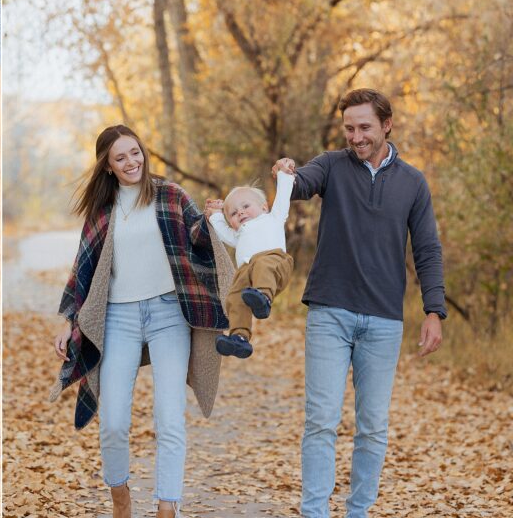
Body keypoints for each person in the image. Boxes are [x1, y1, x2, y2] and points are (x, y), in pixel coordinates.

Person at [272, 88, 445, 518]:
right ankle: (315, 512)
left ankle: (358, 512)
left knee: (372, 428)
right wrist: (285, 174)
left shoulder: (412, 182)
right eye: (350, 128)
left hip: (384, 319)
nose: (356, 136)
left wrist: (433, 310)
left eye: (365, 127)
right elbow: (300, 184)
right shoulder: (331, 165)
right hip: (330, 311)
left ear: (386, 125)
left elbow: (427, 249)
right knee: (321, 421)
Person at [51, 125, 232, 518]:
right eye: (121, 158)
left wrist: (213, 219)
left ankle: (168, 506)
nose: (132, 162)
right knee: (113, 420)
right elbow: (81, 269)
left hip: (170, 314)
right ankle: (121, 497)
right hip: (119, 318)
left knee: (169, 416)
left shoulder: (170, 194)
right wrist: (68, 318)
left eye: (135, 152)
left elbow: (197, 236)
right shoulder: (103, 210)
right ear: (109, 167)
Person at [203, 170, 295, 358]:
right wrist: (215, 215)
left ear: (264, 207)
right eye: (234, 214)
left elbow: (284, 196)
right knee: (235, 297)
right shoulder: (238, 235)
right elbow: (221, 231)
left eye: (245, 206)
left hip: (275, 262)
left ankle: (263, 298)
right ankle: (239, 338)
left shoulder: (273, 218)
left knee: (262, 264)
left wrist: (284, 175)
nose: (241, 212)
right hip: (248, 273)